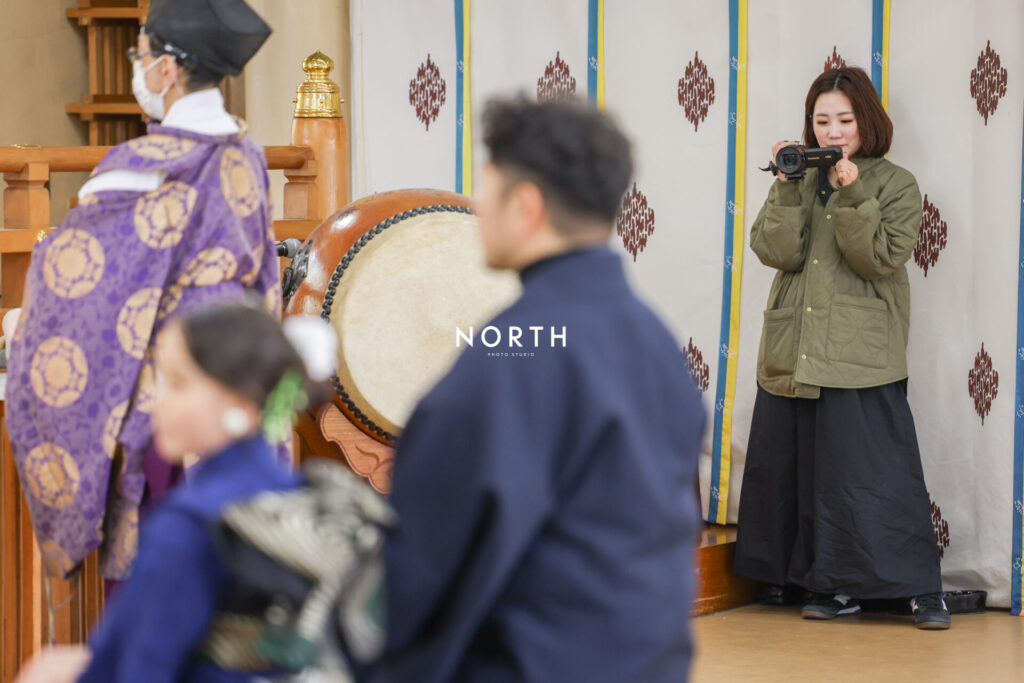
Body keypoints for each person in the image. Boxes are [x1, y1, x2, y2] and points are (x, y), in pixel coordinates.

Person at [361, 98, 705, 682]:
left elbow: (427, 556)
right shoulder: (653, 338)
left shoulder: (513, 353)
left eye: (487, 190)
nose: (479, 210)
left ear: (525, 205)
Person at [7, 0, 278, 583]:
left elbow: (76, 288)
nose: (139, 66)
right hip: (240, 375)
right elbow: (266, 275)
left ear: (167, 69)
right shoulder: (247, 155)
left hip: (170, 390)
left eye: (141, 54)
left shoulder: (135, 170)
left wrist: (19, 327)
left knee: (164, 556)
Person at [733, 66, 948, 629]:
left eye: (845, 120)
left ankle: (913, 589)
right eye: (822, 121)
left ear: (867, 122)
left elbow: (877, 258)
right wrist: (786, 185)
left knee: (870, 475)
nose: (832, 132)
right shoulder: (799, 177)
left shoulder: (896, 184)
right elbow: (775, 252)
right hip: (794, 345)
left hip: (860, 349)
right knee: (800, 471)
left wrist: (852, 193)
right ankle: (817, 583)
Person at [14, 304, 327, 683]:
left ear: (242, 403)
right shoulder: (305, 497)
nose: (157, 401)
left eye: (178, 383)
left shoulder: (189, 525)